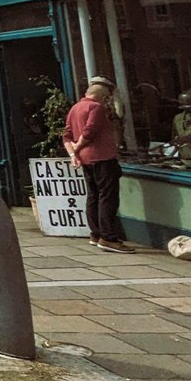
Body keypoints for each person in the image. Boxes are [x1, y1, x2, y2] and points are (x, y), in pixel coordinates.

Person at [64, 76, 134, 253]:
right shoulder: (96, 107)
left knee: (93, 195)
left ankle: (95, 234)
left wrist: (74, 154)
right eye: (107, 96)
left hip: (85, 159)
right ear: (103, 95)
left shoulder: (75, 107)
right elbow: (90, 132)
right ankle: (108, 238)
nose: (108, 99)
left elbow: (66, 135)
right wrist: (78, 147)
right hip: (101, 157)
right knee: (107, 197)